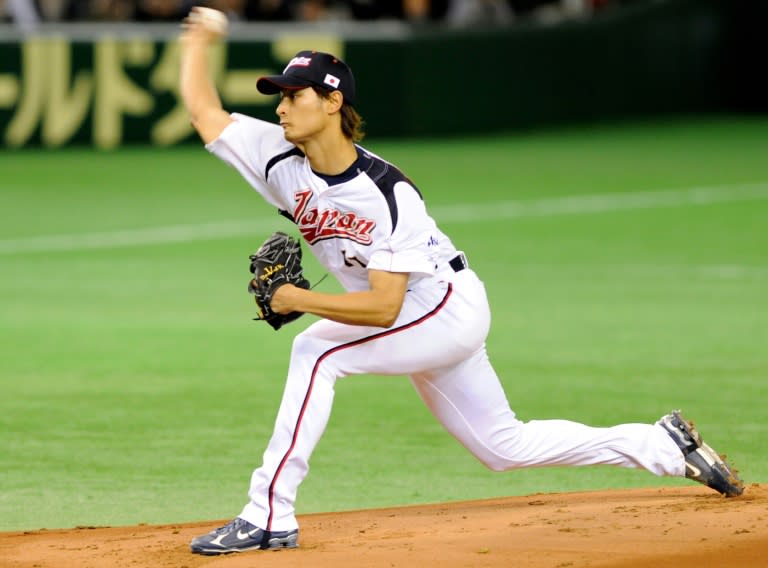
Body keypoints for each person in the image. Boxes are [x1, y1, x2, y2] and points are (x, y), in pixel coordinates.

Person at [178, 6, 744, 555]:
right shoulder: (280, 158)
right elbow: (206, 113)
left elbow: (382, 307)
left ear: (332, 102)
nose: (281, 108)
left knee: (317, 354)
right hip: (414, 315)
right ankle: (663, 446)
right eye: (279, 95)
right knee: (503, 446)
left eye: (293, 95)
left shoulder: (386, 194)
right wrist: (197, 43)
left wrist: (296, 298)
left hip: (442, 308)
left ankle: (268, 515)